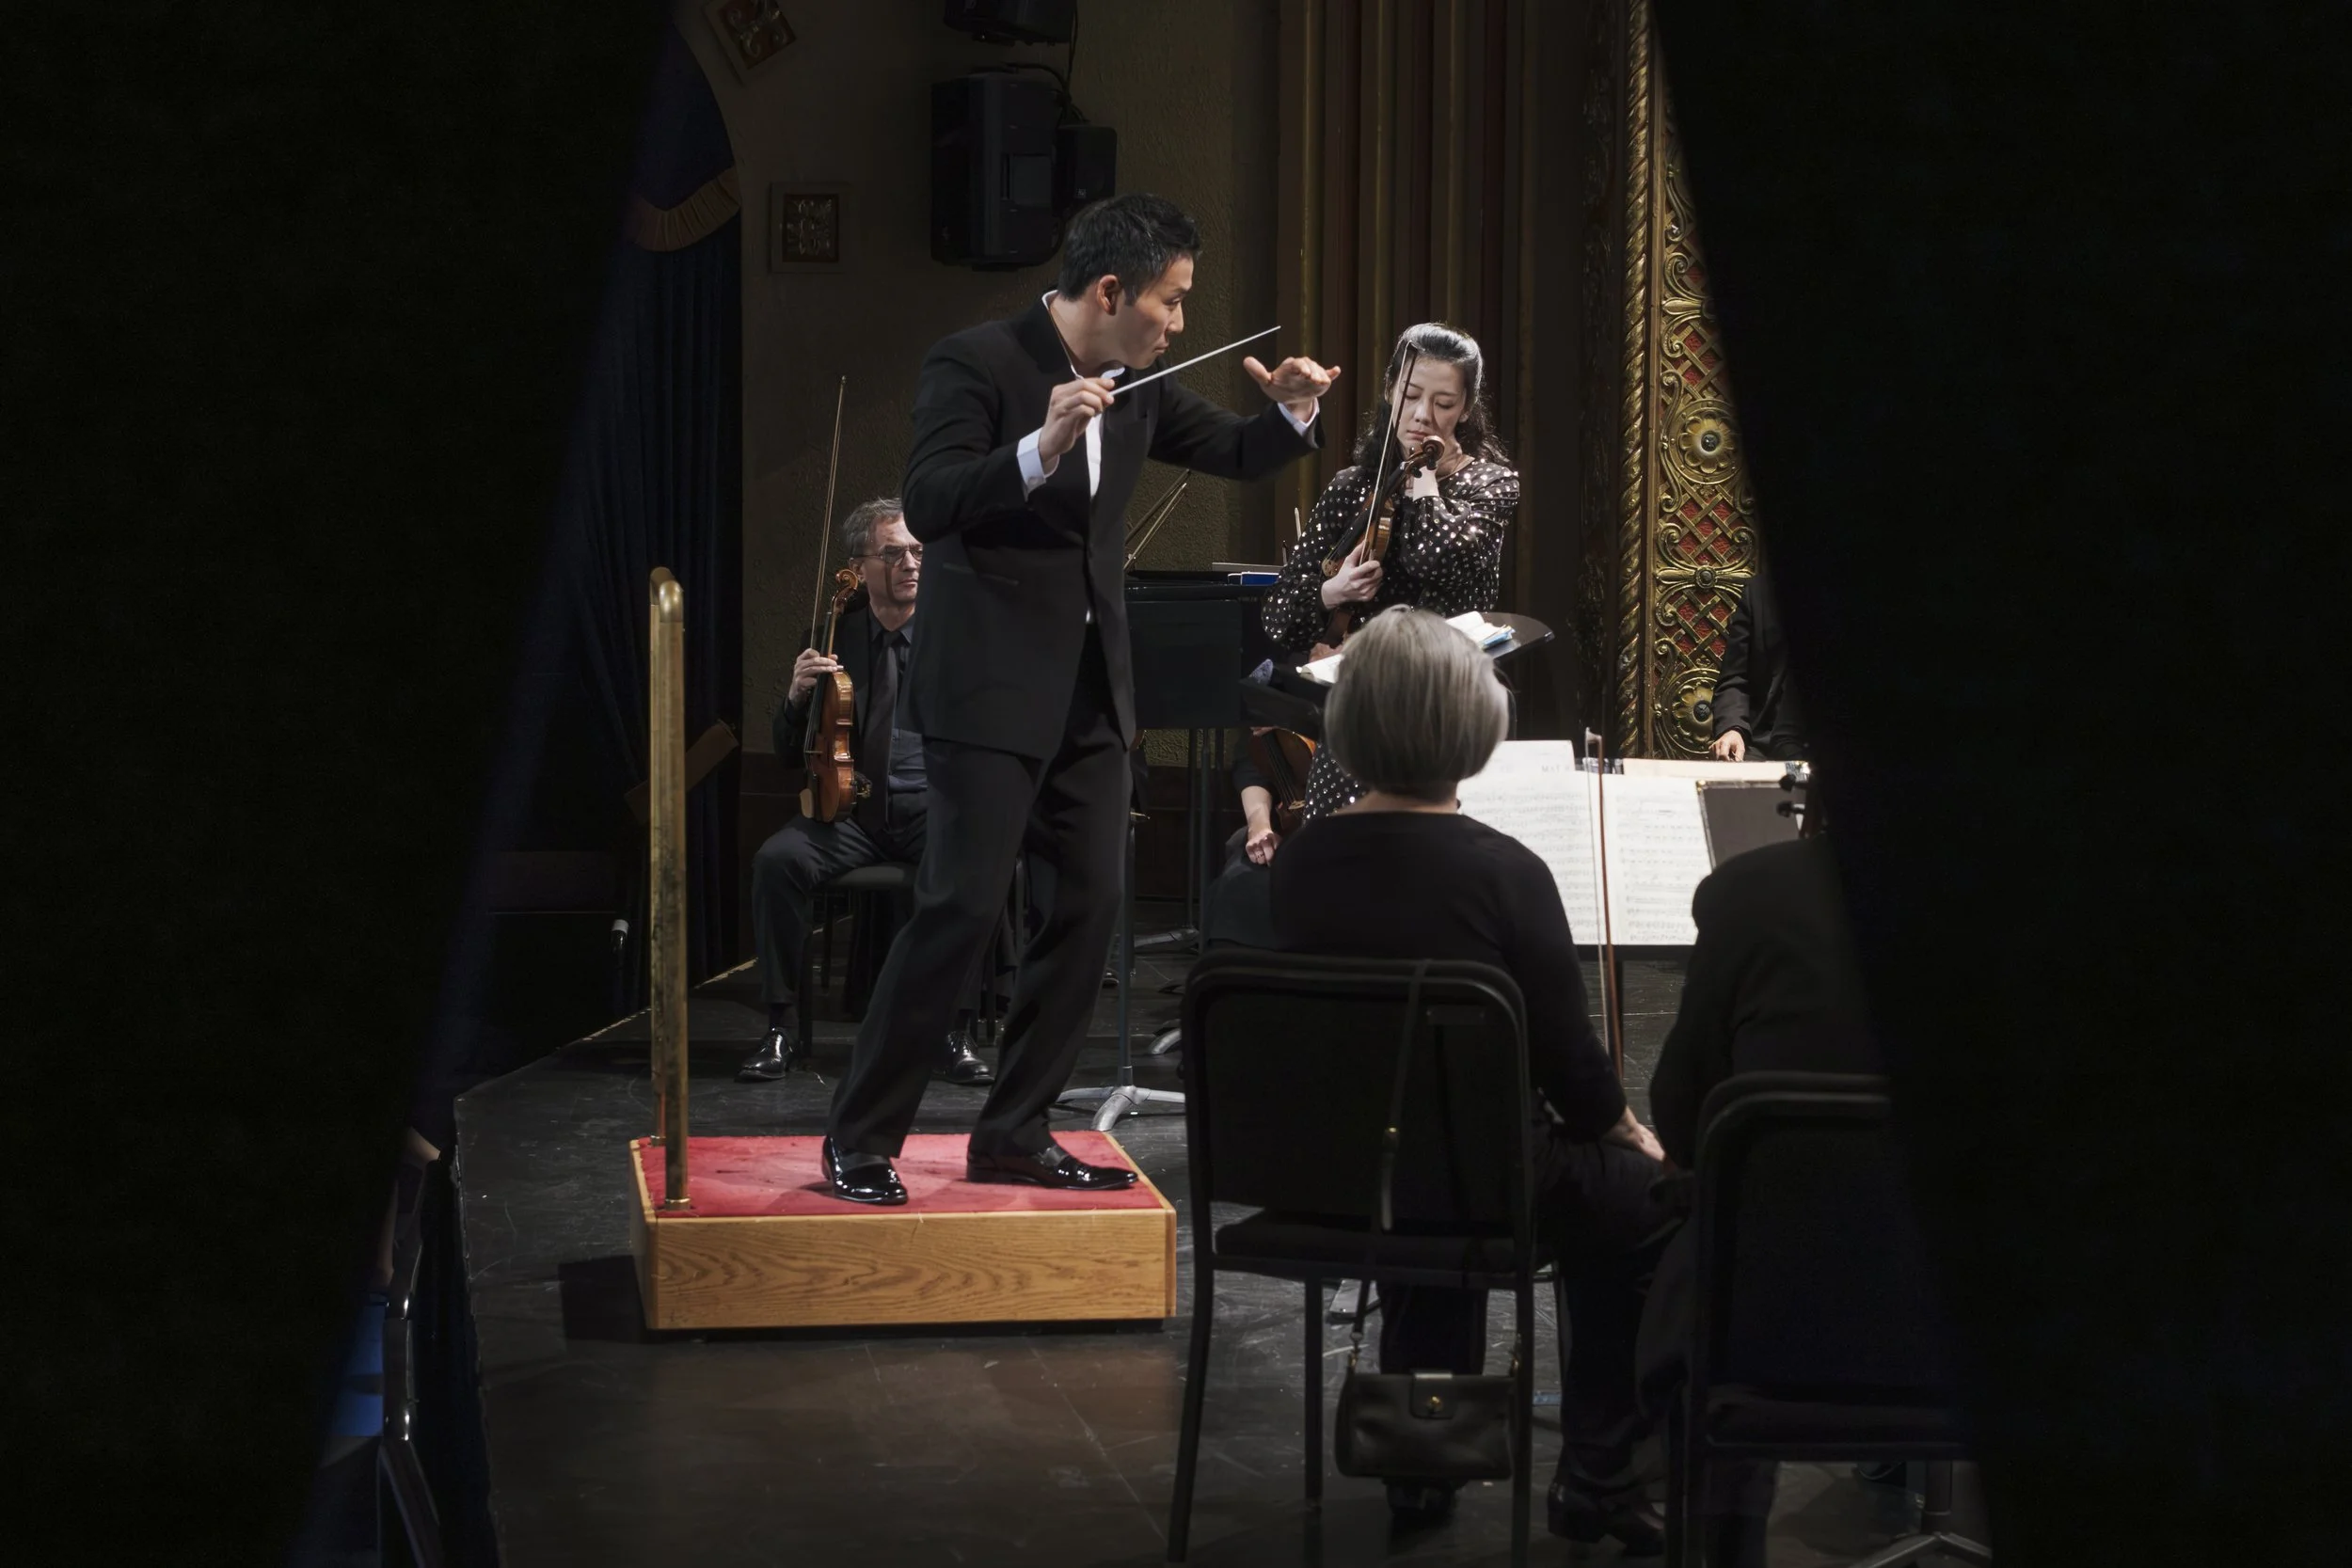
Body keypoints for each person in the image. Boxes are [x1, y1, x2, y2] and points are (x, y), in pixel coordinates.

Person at [820, 193, 1337, 1205]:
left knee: (1091, 906)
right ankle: (860, 1134)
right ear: (1110, 290)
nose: (1179, 324)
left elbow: (1236, 451)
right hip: (989, 690)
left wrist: (1291, 408)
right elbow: (928, 499)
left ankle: (1014, 1128)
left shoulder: (1140, 382)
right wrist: (1039, 447)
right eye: (1172, 301)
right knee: (959, 910)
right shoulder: (975, 362)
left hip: (1093, 696)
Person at [1270, 607, 1676, 1551]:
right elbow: (1569, 1061)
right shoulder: (1506, 872)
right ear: (1471, 723)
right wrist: (1623, 1128)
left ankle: (1424, 1461)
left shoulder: (1298, 864)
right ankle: (1603, 1474)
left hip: (1336, 1179)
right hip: (1475, 1176)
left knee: (1426, 1126)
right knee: (1647, 1199)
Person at [1637, 775, 1882, 1567]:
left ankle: (1719, 1540)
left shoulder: (1750, 894)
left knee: (1709, 1226)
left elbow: (1681, 1112)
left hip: (1770, 1306)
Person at [738, 499, 993, 1086]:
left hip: (929, 807)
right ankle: (779, 1027)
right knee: (777, 862)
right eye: (894, 552)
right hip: (848, 815)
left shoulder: (958, 635)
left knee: (974, 859)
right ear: (860, 566)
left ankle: (952, 1033)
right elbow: (786, 755)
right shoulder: (831, 638)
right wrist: (796, 700)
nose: (911, 563)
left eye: (919, 551)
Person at [1258, 322, 1518, 819]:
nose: (1423, 416)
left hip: (1448, 713)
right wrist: (1329, 593)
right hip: (1358, 721)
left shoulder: (1492, 485)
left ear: (1466, 408)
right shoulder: (1353, 486)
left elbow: (1431, 556)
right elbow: (1276, 616)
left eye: (1444, 404)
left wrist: (1420, 474)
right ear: (1389, 389)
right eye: (1411, 395)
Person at [1708, 569, 1805, 761]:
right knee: (1736, 782)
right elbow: (1734, 678)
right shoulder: (1760, 591)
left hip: (1815, 752)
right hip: (1761, 746)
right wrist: (1733, 728)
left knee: (1801, 780)